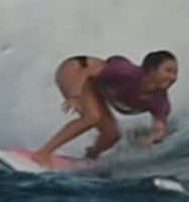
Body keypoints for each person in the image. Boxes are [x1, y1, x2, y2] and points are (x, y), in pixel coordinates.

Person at [32, 50, 178, 164]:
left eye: (175, 73)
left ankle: (88, 159)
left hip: (93, 86)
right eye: (168, 71)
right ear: (151, 70)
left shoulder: (160, 102)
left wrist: (152, 138)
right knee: (92, 117)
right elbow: (86, 72)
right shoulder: (125, 72)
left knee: (112, 134)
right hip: (75, 70)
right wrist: (74, 96)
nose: (173, 77)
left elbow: (160, 128)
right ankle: (42, 153)